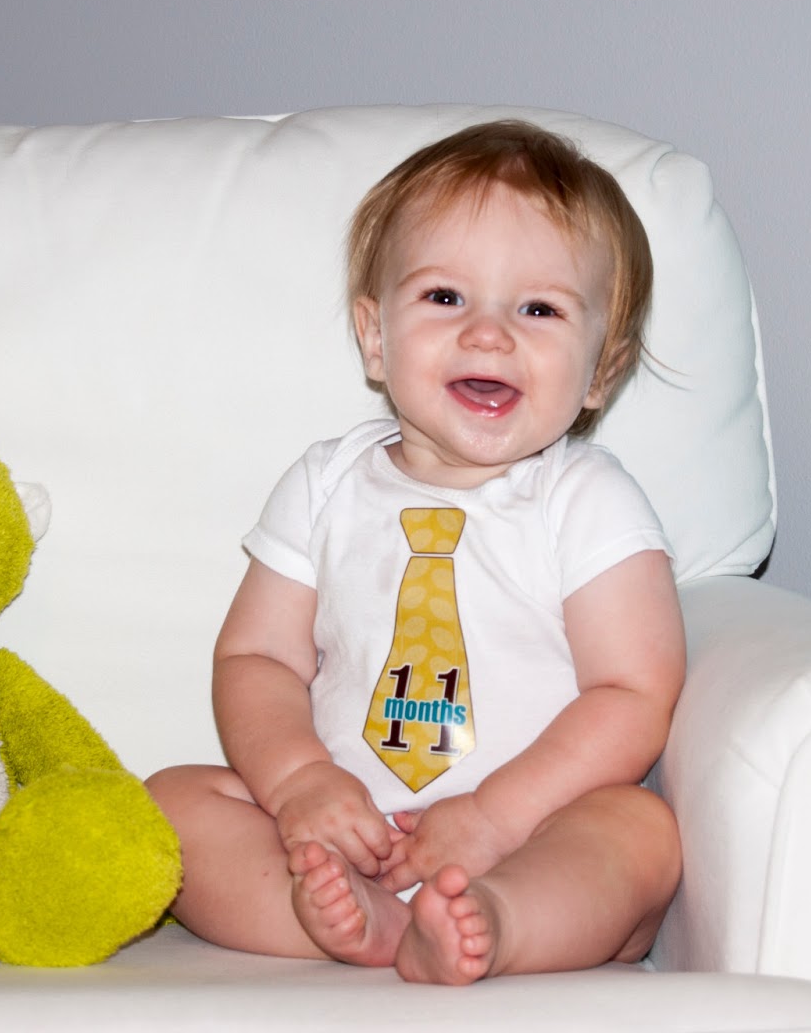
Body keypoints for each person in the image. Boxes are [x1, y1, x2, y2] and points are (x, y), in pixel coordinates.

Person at [146, 120, 685, 986]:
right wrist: (298, 783)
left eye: (539, 309)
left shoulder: (587, 502)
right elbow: (256, 658)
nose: (489, 334)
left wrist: (495, 818)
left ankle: (495, 924)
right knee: (174, 802)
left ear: (600, 372)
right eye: (445, 297)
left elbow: (633, 693)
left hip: (527, 835)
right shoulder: (324, 485)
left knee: (642, 832)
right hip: (346, 828)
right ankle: (349, 920)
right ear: (375, 336)